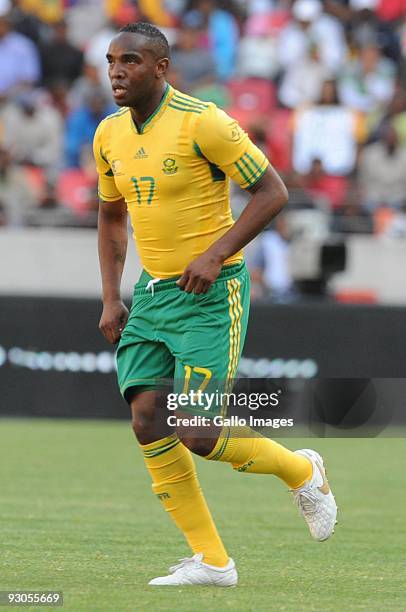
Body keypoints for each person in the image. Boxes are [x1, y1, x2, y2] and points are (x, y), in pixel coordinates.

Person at [94, 22, 337, 587]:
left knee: (198, 432)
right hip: (154, 295)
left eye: (130, 60)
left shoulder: (204, 121)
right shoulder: (108, 134)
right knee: (147, 421)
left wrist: (214, 254)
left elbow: (273, 191)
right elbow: (111, 217)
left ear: (160, 67)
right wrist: (111, 295)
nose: (116, 72)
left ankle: (303, 469)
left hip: (212, 292)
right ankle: (213, 561)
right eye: (110, 61)